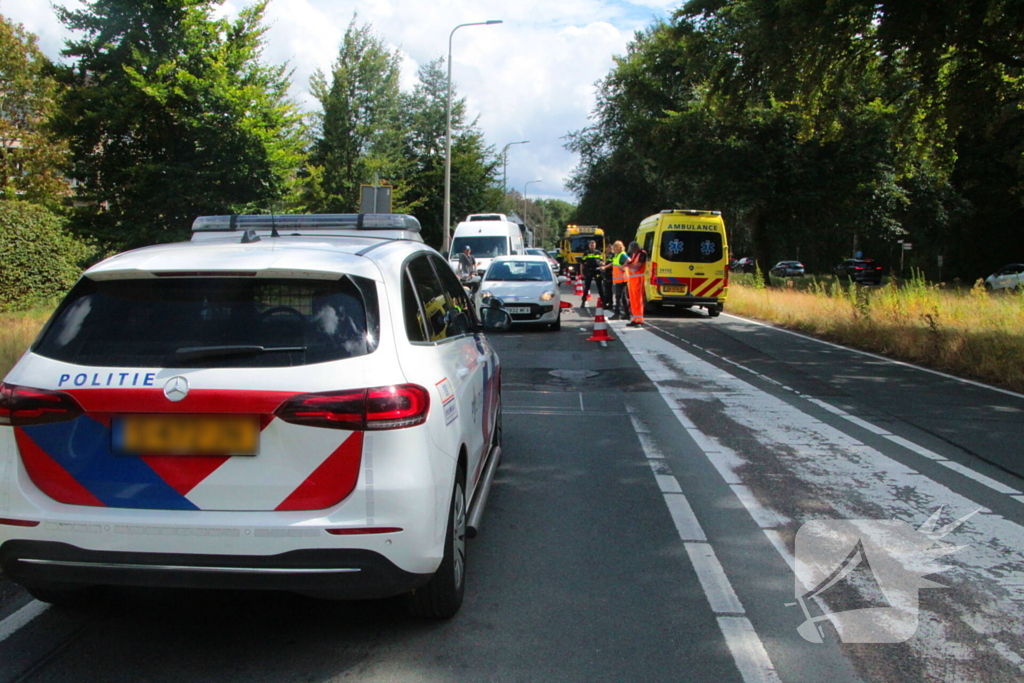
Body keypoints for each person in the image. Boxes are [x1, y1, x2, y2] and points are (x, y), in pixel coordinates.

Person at [602, 240, 629, 319]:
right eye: (614, 247)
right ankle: (627, 314)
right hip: (620, 279)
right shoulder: (617, 255)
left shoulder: (622, 254)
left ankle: (617, 314)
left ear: (621, 247)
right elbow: (613, 263)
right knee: (623, 297)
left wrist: (623, 266)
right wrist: (605, 267)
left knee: (618, 297)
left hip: (621, 279)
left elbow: (629, 260)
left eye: (617, 247)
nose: (615, 248)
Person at [625, 240, 648, 327]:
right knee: (633, 299)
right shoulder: (635, 253)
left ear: (636, 247)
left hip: (639, 279)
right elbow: (631, 263)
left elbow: (638, 266)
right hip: (632, 279)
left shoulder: (642, 254)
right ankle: (635, 318)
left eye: (633, 250)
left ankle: (640, 320)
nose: (632, 252)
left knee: (638, 299)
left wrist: (627, 266)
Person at [579, 239, 603, 305]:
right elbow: (582, 263)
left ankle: (603, 301)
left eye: (593, 245)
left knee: (599, 286)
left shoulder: (598, 252)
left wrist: (602, 264)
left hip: (597, 270)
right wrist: (581, 272)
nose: (592, 246)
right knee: (587, 287)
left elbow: (601, 261)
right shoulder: (586, 253)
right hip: (588, 270)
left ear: (595, 245)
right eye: (591, 244)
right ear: (589, 245)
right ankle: (583, 301)